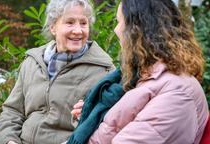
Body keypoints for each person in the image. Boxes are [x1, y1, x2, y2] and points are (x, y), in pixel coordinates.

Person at [72, 0, 209, 143]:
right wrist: (90, 114)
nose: (116, 30)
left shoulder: (177, 92)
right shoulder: (142, 76)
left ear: (138, 30)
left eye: (119, 21)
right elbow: (114, 127)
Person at [0, 0, 115, 143]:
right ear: (53, 27)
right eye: (69, 22)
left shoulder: (104, 71)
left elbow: (109, 125)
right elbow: (12, 111)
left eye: (83, 23)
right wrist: (9, 141)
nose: (78, 30)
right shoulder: (32, 62)